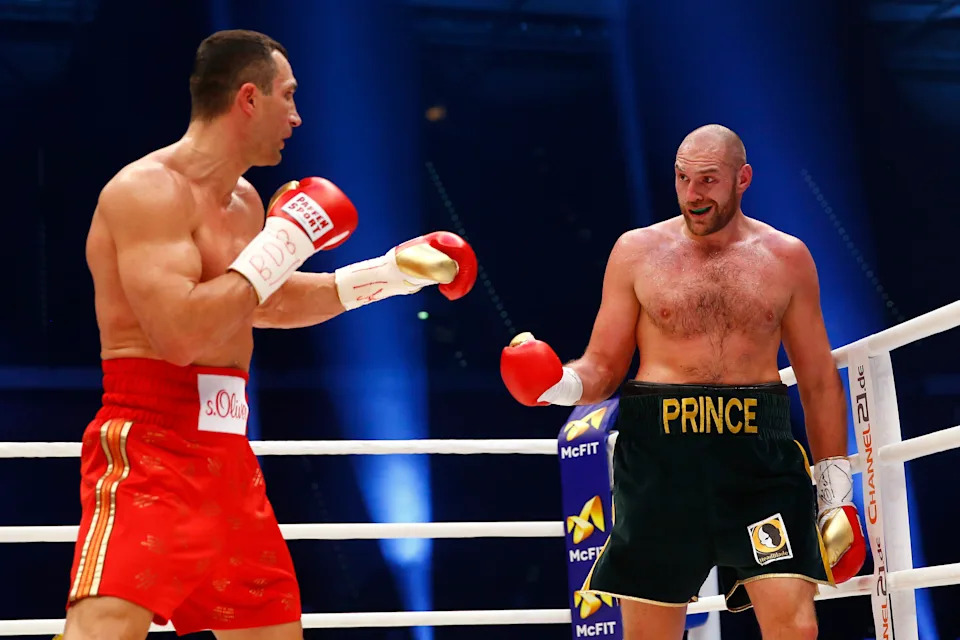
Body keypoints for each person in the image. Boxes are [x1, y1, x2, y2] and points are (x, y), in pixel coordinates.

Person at [64, 29, 477, 640]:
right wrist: (286, 243)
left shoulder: (245, 202)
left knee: (271, 629)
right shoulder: (147, 191)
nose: (298, 115)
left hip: (229, 456)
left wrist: (387, 274)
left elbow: (263, 301)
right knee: (103, 633)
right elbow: (180, 335)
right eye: (288, 96)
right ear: (249, 98)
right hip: (151, 446)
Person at [500, 124, 866, 640]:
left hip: (758, 462)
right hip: (659, 462)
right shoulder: (636, 252)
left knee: (796, 627)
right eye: (682, 178)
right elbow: (603, 367)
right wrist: (556, 383)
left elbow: (819, 380)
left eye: (709, 180)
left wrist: (835, 493)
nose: (693, 194)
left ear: (743, 179)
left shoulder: (787, 258)